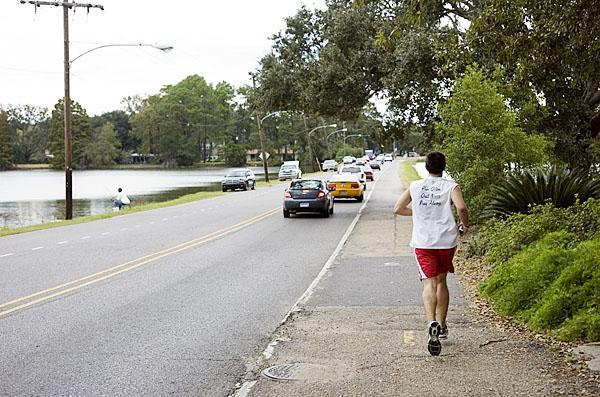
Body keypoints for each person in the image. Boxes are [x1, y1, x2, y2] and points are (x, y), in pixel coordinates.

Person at [394, 152, 469, 356]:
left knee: (429, 283)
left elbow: (398, 208)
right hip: (446, 241)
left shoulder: (415, 186)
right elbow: (461, 207)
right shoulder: (450, 185)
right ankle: (442, 326)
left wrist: (417, 213)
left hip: (423, 242)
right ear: (443, 167)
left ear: (426, 167)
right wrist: (465, 225)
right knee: (442, 282)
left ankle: (431, 323)